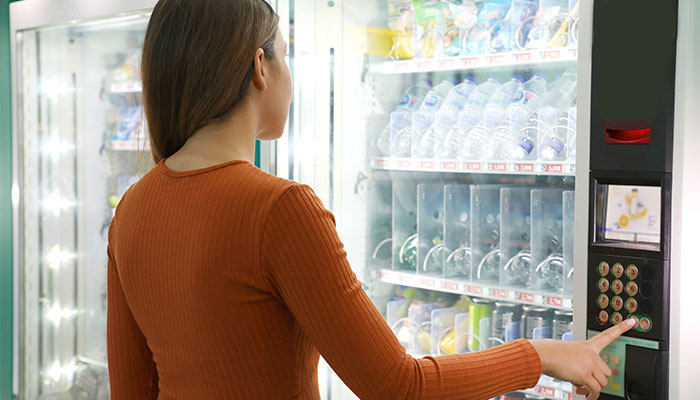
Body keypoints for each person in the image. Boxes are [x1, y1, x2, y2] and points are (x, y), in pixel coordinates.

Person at [106, 0, 635, 399]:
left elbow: (131, 392)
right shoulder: (280, 210)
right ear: (259, 68)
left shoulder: (132, 209)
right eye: (285, 55)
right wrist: (539, 354)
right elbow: (395, 385)